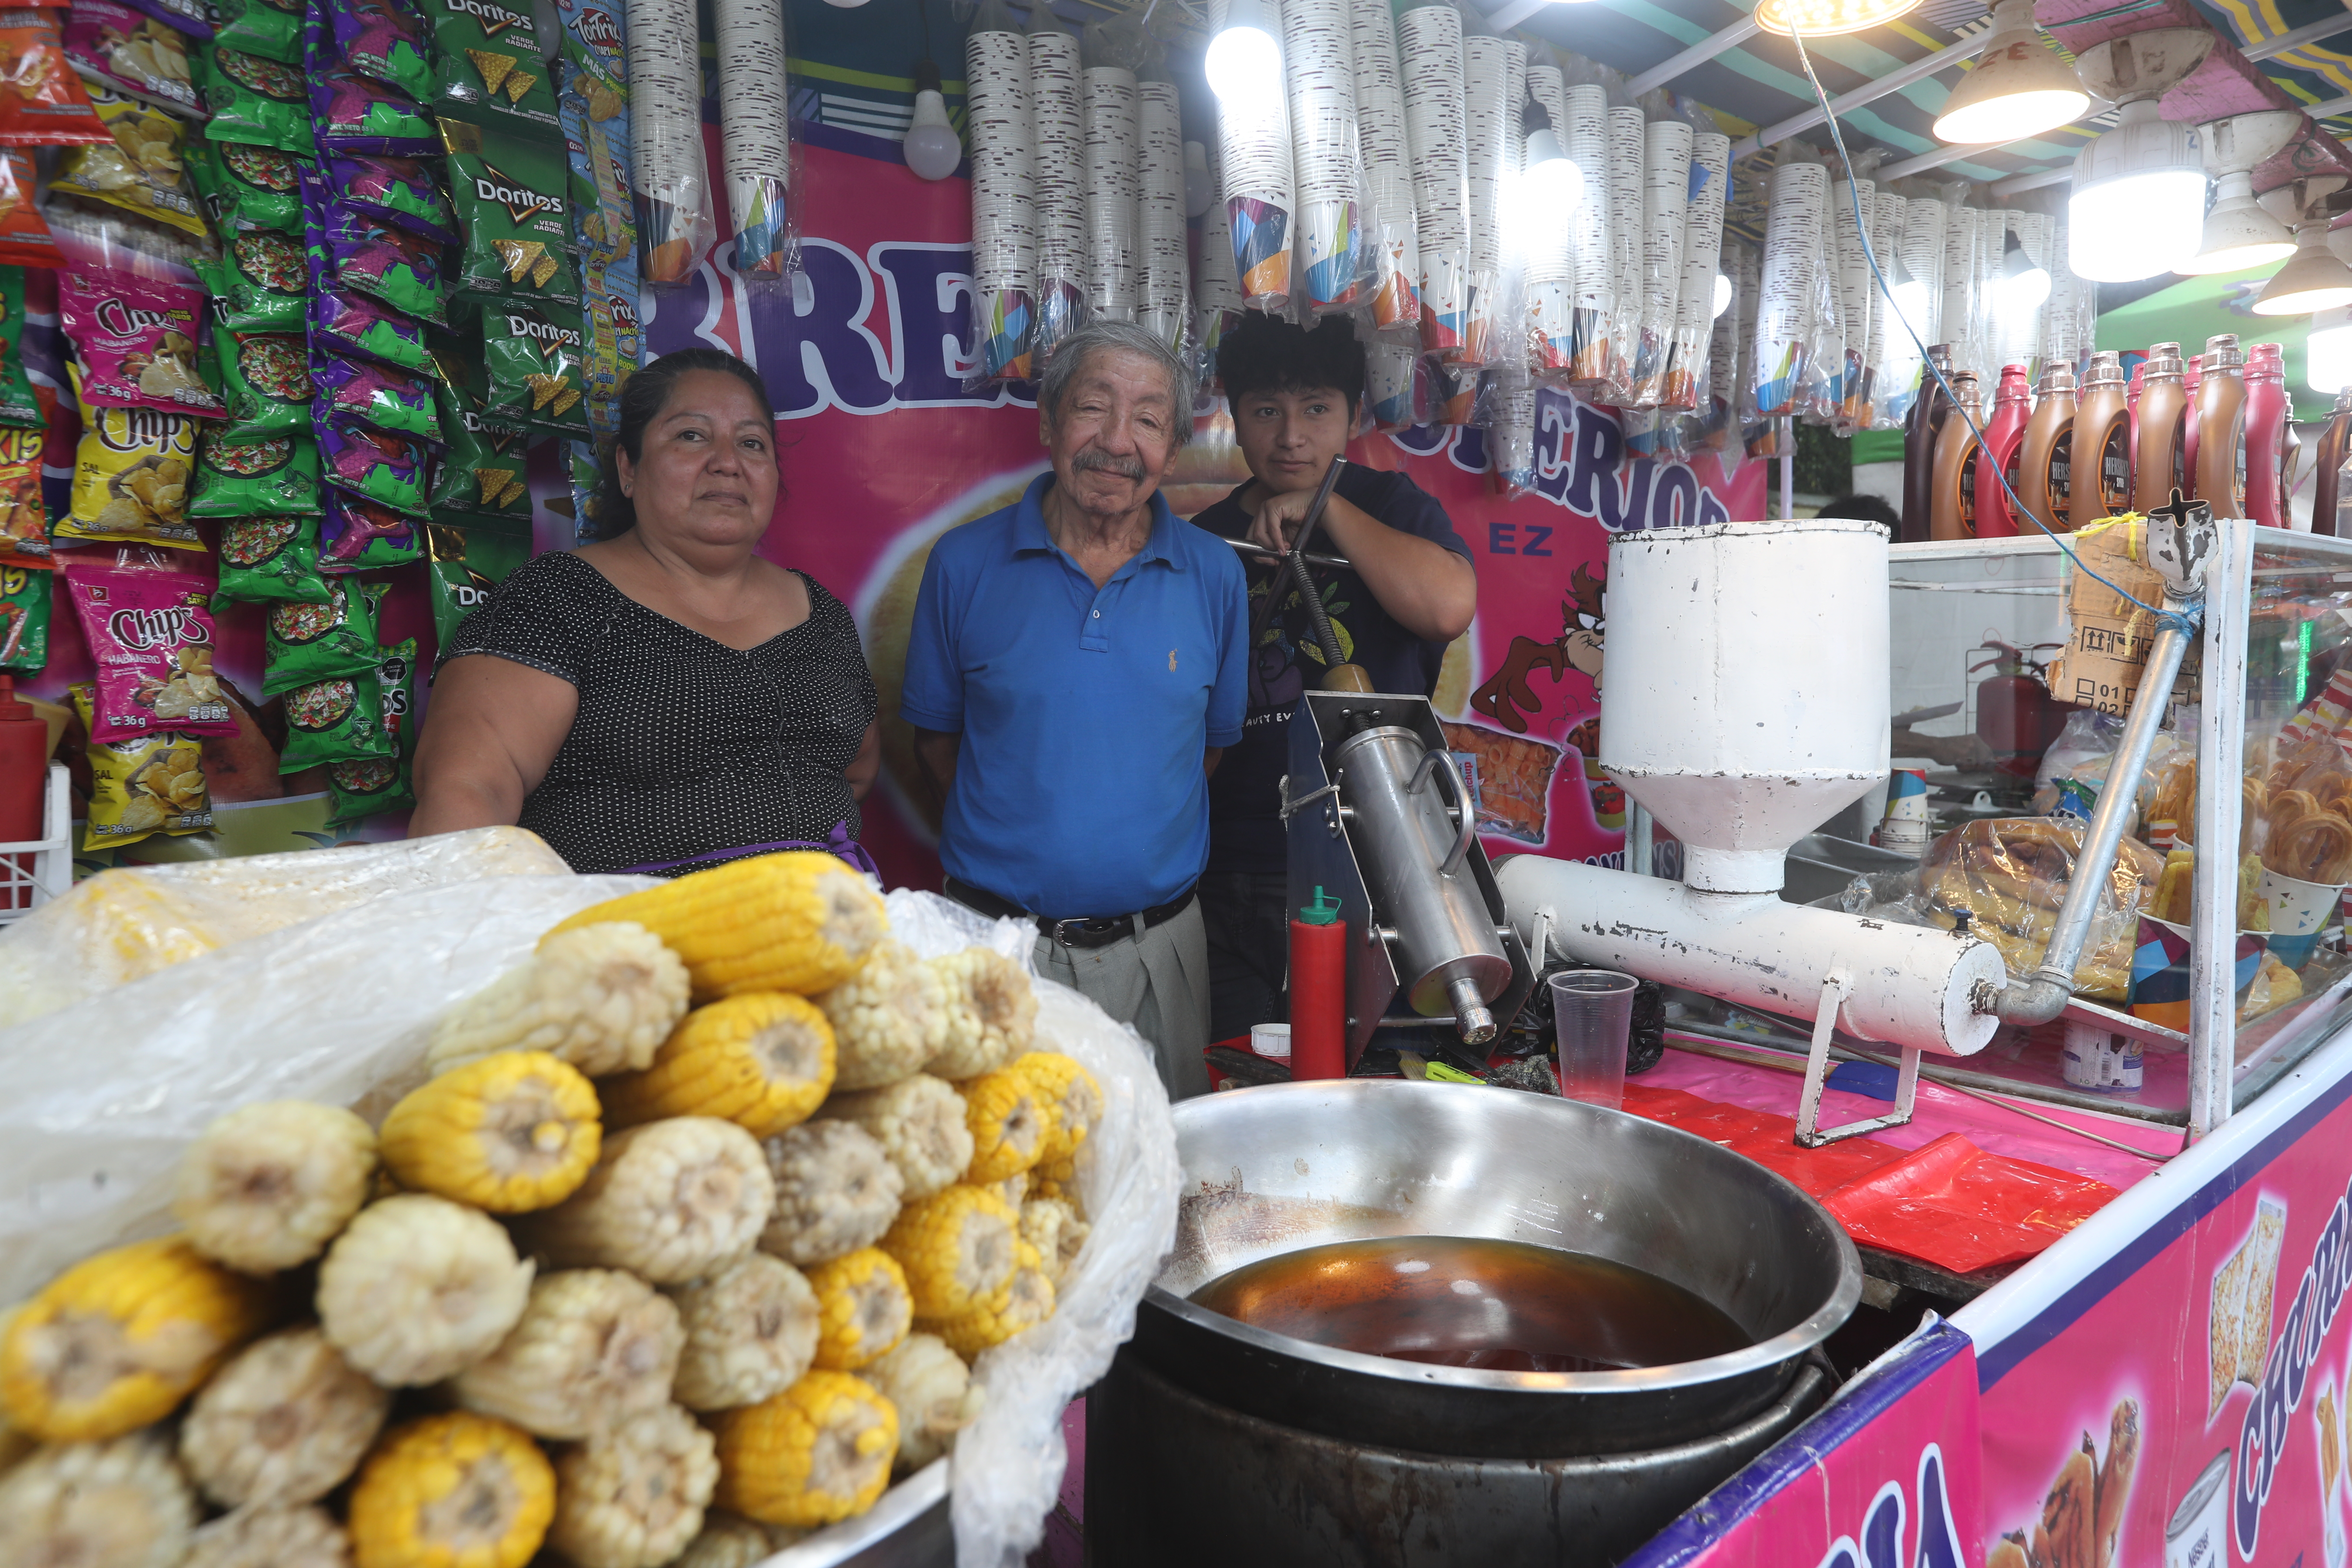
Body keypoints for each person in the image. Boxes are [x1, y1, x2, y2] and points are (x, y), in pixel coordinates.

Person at [902, 320, 1248, 1102]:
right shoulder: (962, 563)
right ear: (1049, 422)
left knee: (1163, 1182)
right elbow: (936, 746)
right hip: (997, 945)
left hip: (1159, 953)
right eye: (1094, 408)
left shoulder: (1213, 575)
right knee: (996, 1180)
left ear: (1174, 446)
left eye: (1150, 421)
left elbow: (1204, 754)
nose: (1117, 442)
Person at [411, 347, 882, 876]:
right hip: (625, 942)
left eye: (752, 443)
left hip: (828, 930)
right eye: (691, 436)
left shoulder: (823, 615)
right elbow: (470, 787)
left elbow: (855, 770)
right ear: (629, 469)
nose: (727, 462)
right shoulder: (558, 597)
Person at [1190, 314, 1476, 1044]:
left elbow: (1447, 606)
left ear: (1351, 416)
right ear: (1235, 417)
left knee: (1369, 1087)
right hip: (1229, 871)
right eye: (1266, 411)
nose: (1291, 436)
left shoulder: (1393, 509)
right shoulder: (1200, 542)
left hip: (1374, 857)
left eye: (1316, 409)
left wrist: (1329, 510)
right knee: (1238, 1087)